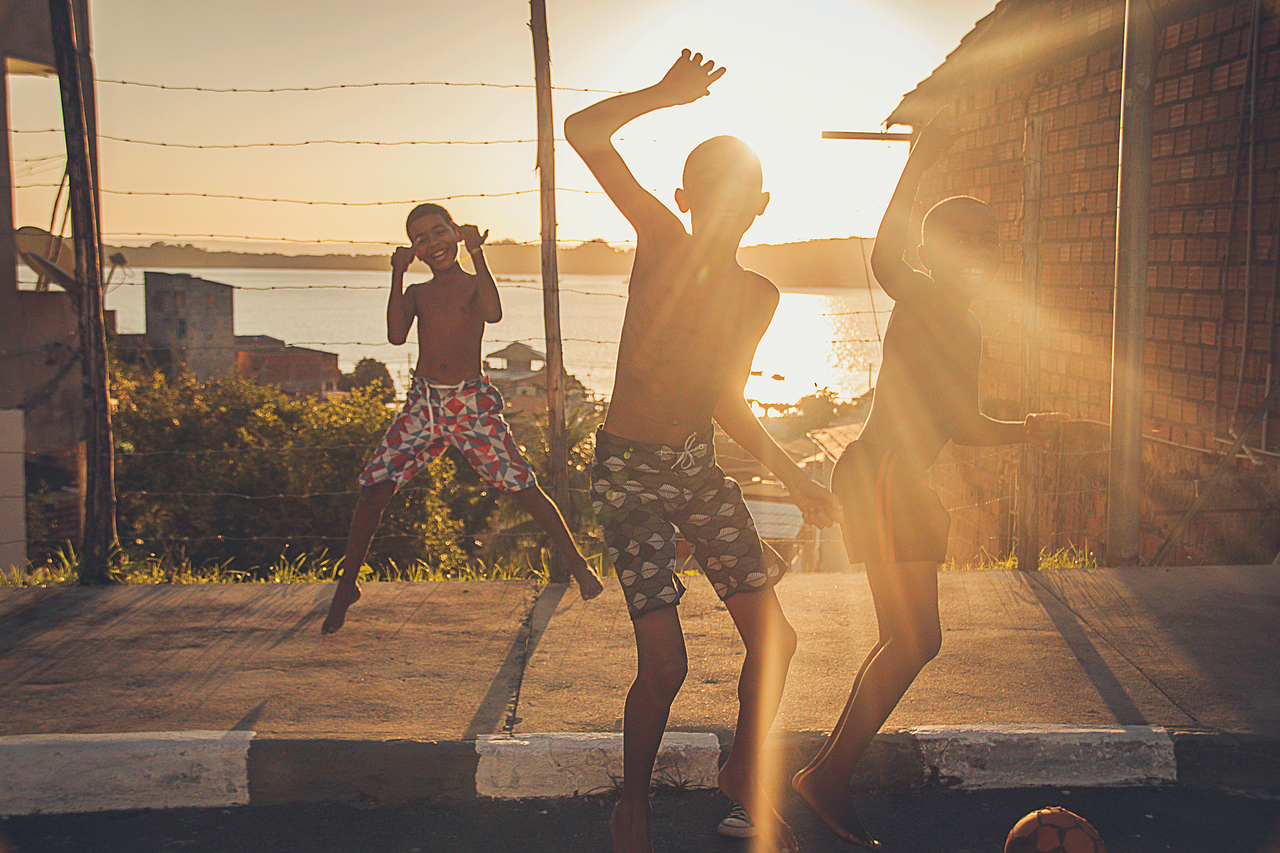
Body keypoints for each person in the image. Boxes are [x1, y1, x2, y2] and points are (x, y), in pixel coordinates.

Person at [565, 50, 841, 853]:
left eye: (738, 196)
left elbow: (725, 398)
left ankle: (741, 776)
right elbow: (584, 132)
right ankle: (635, 804)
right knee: (666, 666)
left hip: (694, 467)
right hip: (628, 473)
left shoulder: (758, 294)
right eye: (705, 194)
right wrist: (665, 94)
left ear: (760, 206)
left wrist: (796, 476)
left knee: (777, 639)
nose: (722, 208)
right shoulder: (658, 239)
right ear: (682, 200)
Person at [789, 111, 1069, 848]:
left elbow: (964, 422)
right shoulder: (923, 292)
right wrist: (918, 160)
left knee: (903, 638)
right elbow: (883, 253)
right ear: (933, 249)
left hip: (903, 481)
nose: (976, 252)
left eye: (988, 242)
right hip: (885, 477)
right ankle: (826, 775)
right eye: (960, 239)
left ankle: (825, 773)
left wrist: (1032, 428)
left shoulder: (965, 321)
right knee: (915, 640)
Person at [321, 203, 603, 635]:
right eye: (421, 240)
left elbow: (493, 312)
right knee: (374, 489)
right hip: (425, 405)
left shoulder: (473, 285)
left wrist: (479, 254)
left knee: (522, 485)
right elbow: (397, 334)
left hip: (471, 404)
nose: (433, 244)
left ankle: (578, 563)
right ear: (413, 251)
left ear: (456, 233)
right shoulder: (417, 293)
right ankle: (347, 585)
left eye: (439, 233)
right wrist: (396, 275)